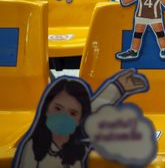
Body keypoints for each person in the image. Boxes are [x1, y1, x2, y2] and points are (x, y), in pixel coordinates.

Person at [14, 69, 147, 168]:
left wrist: (119, 87)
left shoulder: (79, 143)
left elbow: (95, 109)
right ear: (46, 110)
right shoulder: (32, 147)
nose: (63, 117)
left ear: (79, 120)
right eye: (58, 109)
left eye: (72, 113)